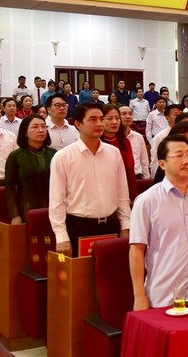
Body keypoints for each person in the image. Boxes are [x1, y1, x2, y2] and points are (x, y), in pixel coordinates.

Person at [129, 134, 188, 310]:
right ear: (162, 164)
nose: (186, 161)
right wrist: (139, 295)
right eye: (178, 155)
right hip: (165, 295)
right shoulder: (147, 200)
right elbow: (136, 249)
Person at [49, 103, 131, 257]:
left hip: (111, 225)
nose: (99, 124)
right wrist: (61, 237)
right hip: (79, 226)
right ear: (78, 124)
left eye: (101, 119)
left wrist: (126, 225)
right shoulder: (63, 157)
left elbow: (122, 194)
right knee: (81, 272)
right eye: (92, 119)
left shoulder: (113, 153)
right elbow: (56, 202)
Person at [4, 115, 56, 224]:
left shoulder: (54, 154)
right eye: (35, 127)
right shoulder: (16, 156)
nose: (41, 130)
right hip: (27, 207)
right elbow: (10, 187)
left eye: (44, 126)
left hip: (53, 207)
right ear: (25, 132)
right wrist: (14, 215)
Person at [101, 104, 137, 200]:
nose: (114, 122)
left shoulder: (124, 141)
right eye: (109, 119)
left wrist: (133, 196)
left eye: (117, 118)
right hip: (103, 190)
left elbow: (130, 170)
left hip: (123, 189)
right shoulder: (96, 142)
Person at [149, 104, 184, 178]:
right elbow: (155, 162)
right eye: (176, 114)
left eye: (181, 114)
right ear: (167, 118)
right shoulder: (160, 138)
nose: (180, 117)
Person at [119, 106, 150, 179]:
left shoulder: (138, 137)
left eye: (130, 114)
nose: (128, 116)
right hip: (120, 176)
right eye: (124, 114)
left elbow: (144, 161)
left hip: (137, 175)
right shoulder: (113, 138)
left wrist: (146, 178)